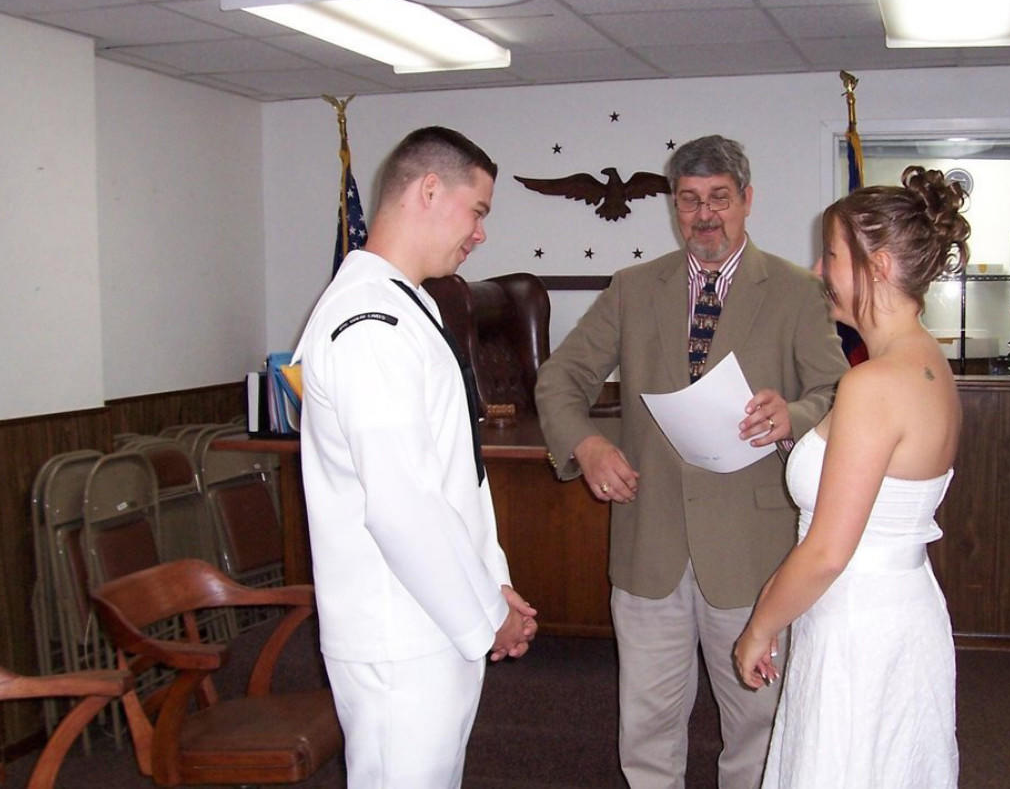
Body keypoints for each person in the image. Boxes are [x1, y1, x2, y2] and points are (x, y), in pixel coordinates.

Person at [536, 134, 848, 788]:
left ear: (747, 200)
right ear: (673, 206)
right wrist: (587, 445)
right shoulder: (632, 288)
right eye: (689, 200)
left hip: (752, 551)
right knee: (647, 728)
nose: (705, 215)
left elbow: (838, 392)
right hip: (649, 542)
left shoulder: (796, 291)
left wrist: (792, 416)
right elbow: (561, 378)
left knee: (758, 726)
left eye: (720, 198)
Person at [293, 126, 537, 789]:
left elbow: (453, 479)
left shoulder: (409, 303)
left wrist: (493, 585)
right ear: (429, 190)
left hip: (431, 617)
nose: (481, 233)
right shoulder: (368, 322)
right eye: (477, 210)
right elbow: (402, 505)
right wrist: (486, 616)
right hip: (398, 629)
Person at [733, 166, 971, 789]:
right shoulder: (929, 362)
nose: (818, 270)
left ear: (880, 266)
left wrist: (759, 627)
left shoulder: (873, 383)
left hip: (859, 625)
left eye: (832, 255)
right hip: (899, 610)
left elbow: (828, 552)